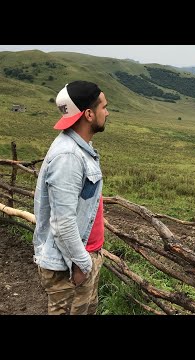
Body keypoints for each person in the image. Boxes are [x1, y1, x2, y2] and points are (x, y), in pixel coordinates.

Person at [33, 80, 109, 315]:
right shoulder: (69, 157)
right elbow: (63, 222)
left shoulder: (78, 148)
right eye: (103, 107)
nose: (107, 112)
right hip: (72, 265)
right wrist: (82, 264)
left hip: (81, 258)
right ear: (88, 114)